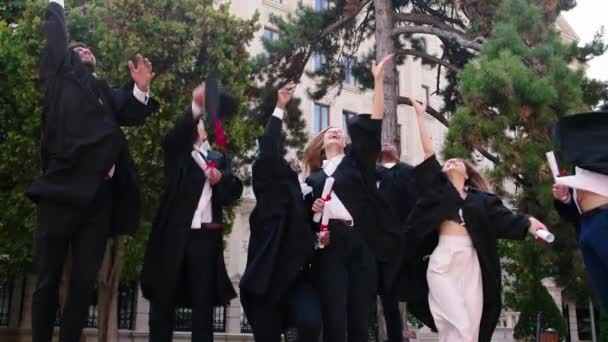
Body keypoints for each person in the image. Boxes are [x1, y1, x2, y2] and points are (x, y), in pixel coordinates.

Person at [27, 1, 159, 341]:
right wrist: (57, 4)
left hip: (98, 200)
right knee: (47, 279)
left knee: (84, 282)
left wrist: (141, 89)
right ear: (68, 59)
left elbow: (128, 109)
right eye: (78, 47)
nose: (85, 49)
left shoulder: (103, 92)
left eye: (89, 48)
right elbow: (56, 36)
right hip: (59, 190)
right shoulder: (60, 79)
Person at [403, 96, 549, 342]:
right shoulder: (437, 194)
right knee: (458, 322)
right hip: (442, 261)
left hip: (472, 263)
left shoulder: (482, 201)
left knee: (469, 327)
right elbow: (429, 154)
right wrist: (420, 116)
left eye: (457, 161)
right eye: (447, 161)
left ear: (468, 174)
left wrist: (531, 224)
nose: (450, 161)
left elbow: (507, 219)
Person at [304, 54, 403, 342]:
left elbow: (374, 123)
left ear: (346, 142)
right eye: (328, 132)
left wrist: (377, 80)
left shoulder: (357, 163)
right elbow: (307, 225)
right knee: (334, 318)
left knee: (360, 317)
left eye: (338, 131)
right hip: (331, 247)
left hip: (361, 243)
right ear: (322, 147)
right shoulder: (312, 180)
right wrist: (314, 214)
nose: (334, 131)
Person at [140, 84, 243, 342]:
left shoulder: (220, 159)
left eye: (200, 122)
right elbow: (174, 137)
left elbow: (232, 192)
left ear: (205, 133)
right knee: (163, 302)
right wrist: (197, 105)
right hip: (173, 236)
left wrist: (220, 180)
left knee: (203, 306)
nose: (196, 125)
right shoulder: (178, 155)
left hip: (206, 240)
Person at [240, 83, 322, 342]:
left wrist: (317, 221)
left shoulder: (301, 194)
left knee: (310, 322)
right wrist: (279, 108)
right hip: (266, 279)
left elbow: (310, 228)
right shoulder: (268, 193)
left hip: (297, 277)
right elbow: (267, 151)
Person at [552, 107, 608, 307]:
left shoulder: (602, 155)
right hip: (586, 227)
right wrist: (565, 198)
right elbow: (571, 211)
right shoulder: (581, 164)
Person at [375, 144, 416, 342]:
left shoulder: (408, 172)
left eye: (393, 144)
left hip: (403, 243)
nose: (387, 144)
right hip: (375, 245)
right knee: (385, 299)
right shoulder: (370, 174)